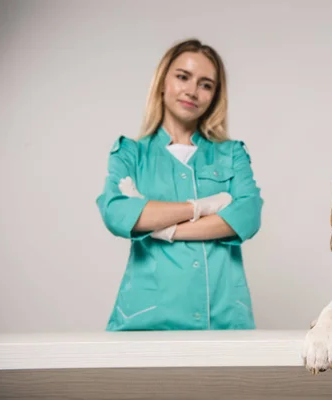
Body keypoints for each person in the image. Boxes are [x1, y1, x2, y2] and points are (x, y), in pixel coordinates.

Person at [95, 38, 263, 331]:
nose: (192, 91)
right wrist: (202, 207)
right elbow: (118, 213)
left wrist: (160, 227)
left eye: (206, 84)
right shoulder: (131, 153)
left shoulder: (232, 152)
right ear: (162, 82)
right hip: (146, 320)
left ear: (214, 95)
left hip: (223, 319)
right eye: (183, 77)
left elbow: (247, 216)